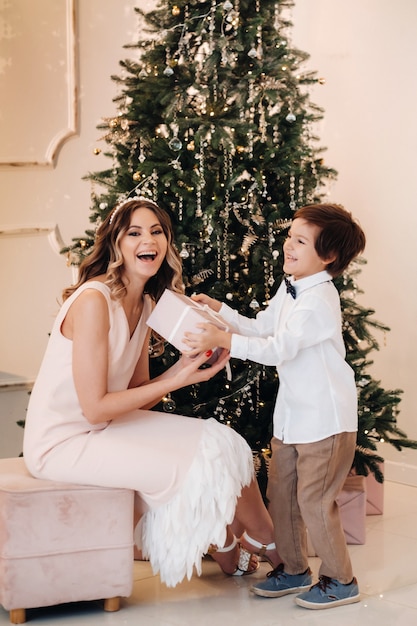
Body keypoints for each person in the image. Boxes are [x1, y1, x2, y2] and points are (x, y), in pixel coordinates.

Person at [23, 197, 282, 588]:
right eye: (135, 232)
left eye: (157, 232)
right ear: (116, 244)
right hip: (63, 441)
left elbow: (138, 393)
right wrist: (176, 380)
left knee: (225, 441)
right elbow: (94, 408)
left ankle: (254, 537)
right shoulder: (94, 301)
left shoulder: (143, 303)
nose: (150, 240)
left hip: (107, 424)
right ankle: (253, 544)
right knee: (200, 458)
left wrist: (185, 371)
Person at [183, 203, 366, 609]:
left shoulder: (319, 301)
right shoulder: (291, 286)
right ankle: (295, 569)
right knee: (280, 495)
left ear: (329, 256)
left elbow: (278, 348)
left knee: (315, 501)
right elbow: (265, 326)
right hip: (292, 418)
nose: (288, 246)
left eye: (301, 241)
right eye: (290, 237)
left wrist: (226, 339)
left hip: (325, 420)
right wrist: (223, 314)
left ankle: (341, 580)